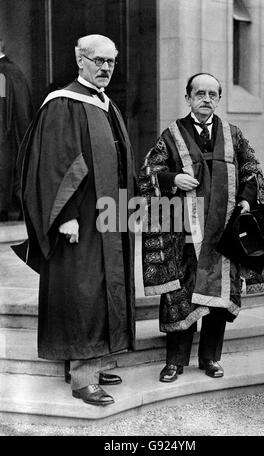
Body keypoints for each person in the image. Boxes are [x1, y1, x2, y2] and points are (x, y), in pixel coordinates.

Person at [138, 72, 264, 382]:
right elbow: (148, 173)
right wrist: (171, 179)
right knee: (182, 296)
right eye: (199, 93)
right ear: (188, 98)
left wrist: (246, 201)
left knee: (217, 301)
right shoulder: (171, 135)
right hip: (186, 234)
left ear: (218, 99)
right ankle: (175, 362)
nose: (206, 99)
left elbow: (252, 172)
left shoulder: (234, 134)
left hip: (224, 232)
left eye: (212, 94)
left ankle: (210, 359)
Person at [14, 35, 136, 406]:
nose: (105, 68)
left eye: (111, 62)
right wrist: (64, 215)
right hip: (78, 220)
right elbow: (52, 164)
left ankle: (92, 360)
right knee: (82, 293)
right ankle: (83, 377)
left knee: (100, 291)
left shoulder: (105, 104)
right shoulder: (62, 104)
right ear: (79, 60)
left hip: (108, 215)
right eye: (98, 60)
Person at [0, 38, 33, 221]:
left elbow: (1, 109)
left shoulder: (2, 73)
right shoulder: (14, 71)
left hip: (5, 136)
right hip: (17, 134)